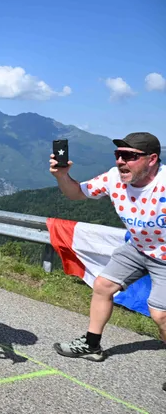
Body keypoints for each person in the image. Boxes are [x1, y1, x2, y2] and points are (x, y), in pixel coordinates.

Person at [50, 132, 166, 390]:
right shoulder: (114, 179)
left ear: (152, 159)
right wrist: (61, 176)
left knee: (160, 315)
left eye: (130, 157)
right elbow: (76, 194)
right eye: (118, 155)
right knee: (102, 285)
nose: (121, 162)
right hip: (138, 248)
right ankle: (92, 345)